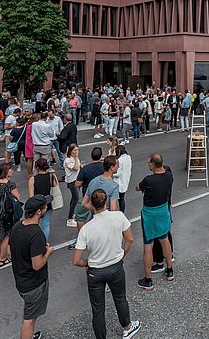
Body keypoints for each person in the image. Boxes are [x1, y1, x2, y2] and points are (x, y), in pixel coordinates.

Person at [72, 189, 141, 339]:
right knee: (120, 298)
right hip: (115, 266)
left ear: (92, 204)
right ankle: (127, 327)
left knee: (97, 308)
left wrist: (87, 263)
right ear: (106, 201)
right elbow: (129, 239)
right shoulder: (118, 217)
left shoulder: (86, 229)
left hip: (95, 270)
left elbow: (76, 260)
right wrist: (122, 254)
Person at [9, 195, 54, 339]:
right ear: (39, 211)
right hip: (34, 284)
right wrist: (48, 252)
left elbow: (10, 250)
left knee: (30, 316)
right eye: (45, 206)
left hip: (21, 280)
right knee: (29, 319)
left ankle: (29, 335)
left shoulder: (17, 226)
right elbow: (37, 265)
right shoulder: (36, 234)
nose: (47, 207)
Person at [135, 153, 174, 291]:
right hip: (163, 210)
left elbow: (138, 187)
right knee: (164, 239)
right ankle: (169, 270)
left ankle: (148, 279)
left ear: (152, 164)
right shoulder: (168, 175)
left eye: (149, 163)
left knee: (148, 245)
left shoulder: (149, 180)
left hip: (150, 213)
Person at [0, 163, 21, 267]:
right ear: (5, 171)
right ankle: (2, 259)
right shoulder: (10, 184)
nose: (12, 171)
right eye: (10, 169)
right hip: (7, 214)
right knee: (6, 236)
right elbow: (17, 197)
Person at [73, 148, 105, 234]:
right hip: (101, 195)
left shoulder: (85, 169)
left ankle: (82, 236)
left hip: (87, 196)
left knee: (80, 216)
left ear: (91, 156)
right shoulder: (104, 167)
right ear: (100, 156)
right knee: (98, 214)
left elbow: (77, 184)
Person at [28, 158, 58, 239]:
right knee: (46, 224)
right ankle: (44, 243)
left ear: (37, 167)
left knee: (35, 224)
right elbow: (55, 186)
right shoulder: (50, 176)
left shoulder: (32, 179)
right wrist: (53, 174)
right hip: (48, 204)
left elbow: (31, 196)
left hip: (37, 205)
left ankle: (35, 241)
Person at [64, 144, 82, 227]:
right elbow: (75, 168)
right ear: (70, 151)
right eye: (75, 150)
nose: (76, 152)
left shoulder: (75, 158)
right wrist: (75, 158)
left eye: (77, 150)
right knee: (76, 199)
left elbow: (78, 167)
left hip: (76, 180)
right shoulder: (68, 160)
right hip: (72, 181)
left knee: (74, 198)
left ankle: (72, 214)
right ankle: (69, 219)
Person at [115, 145, 132, 213]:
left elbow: (117, 173)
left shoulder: (120, 160)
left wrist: (110, 173)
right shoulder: (128, 157)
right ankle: (122, 212)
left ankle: (118, 212)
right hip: (126, 179)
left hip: (119, 182)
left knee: (118, 199)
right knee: (122, 199)